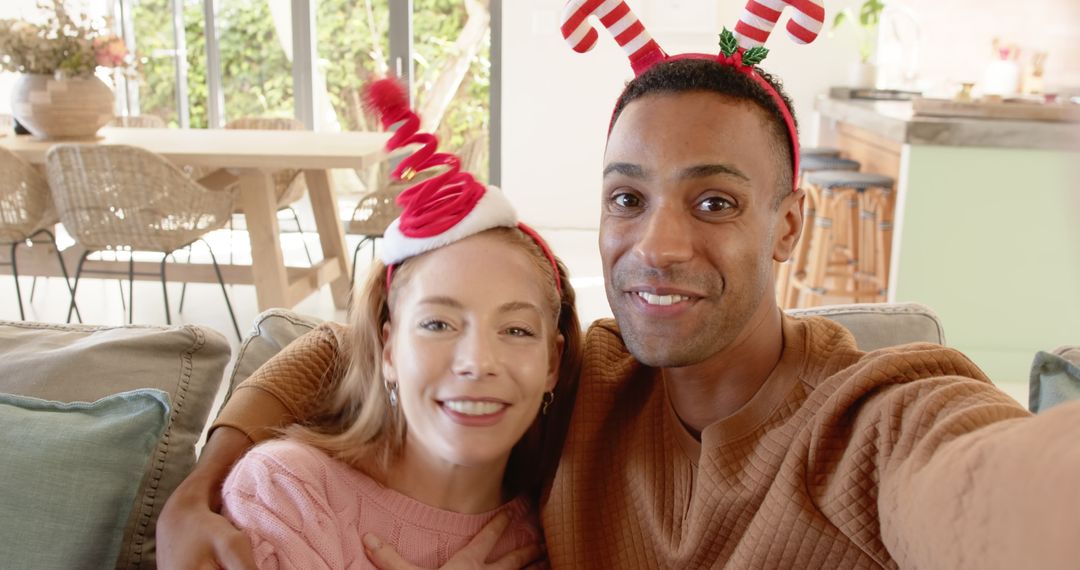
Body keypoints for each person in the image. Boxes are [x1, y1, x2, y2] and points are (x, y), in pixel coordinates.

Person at [159, 10, 1080, 570]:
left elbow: (984, 483)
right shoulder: (585, 378)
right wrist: (198, 487)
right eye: (627, 199)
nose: (658, 245)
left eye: (714, 201)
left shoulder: (873, 416)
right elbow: (342, 346)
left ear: (788, 226)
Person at [181, 78, 583, 569]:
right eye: (438, 325)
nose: (477, 362)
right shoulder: (286, 493)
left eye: (516, 330)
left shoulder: (551, 539)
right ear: (389, 350)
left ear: (552, 364)